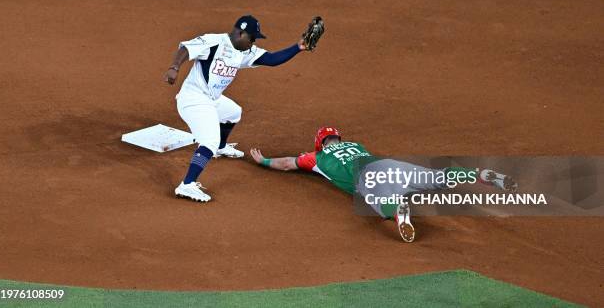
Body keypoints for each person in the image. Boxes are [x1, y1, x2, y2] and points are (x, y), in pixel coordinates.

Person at [249, 127, 518, 242]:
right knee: (434, 179)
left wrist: (263, 161)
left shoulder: (315, 157)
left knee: (378, 204)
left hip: (366, 178)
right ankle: (481, 175)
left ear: (320, 143)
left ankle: (399, 212)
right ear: (340, 139)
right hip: (388, 165)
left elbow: (286, 164)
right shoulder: (357, 145)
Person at [164, 15, 309, 203]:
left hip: (211, 99)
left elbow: (272, 59)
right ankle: (187, 184)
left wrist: (298, 47)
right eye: (252, 38)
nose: (253, 42)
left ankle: (221, 148)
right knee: (209, 140)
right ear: (240, 33)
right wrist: (174, 67)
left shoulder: (245, 51)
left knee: (233, 112)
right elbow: (186, 48)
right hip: (193, 99)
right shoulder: (214, 42)